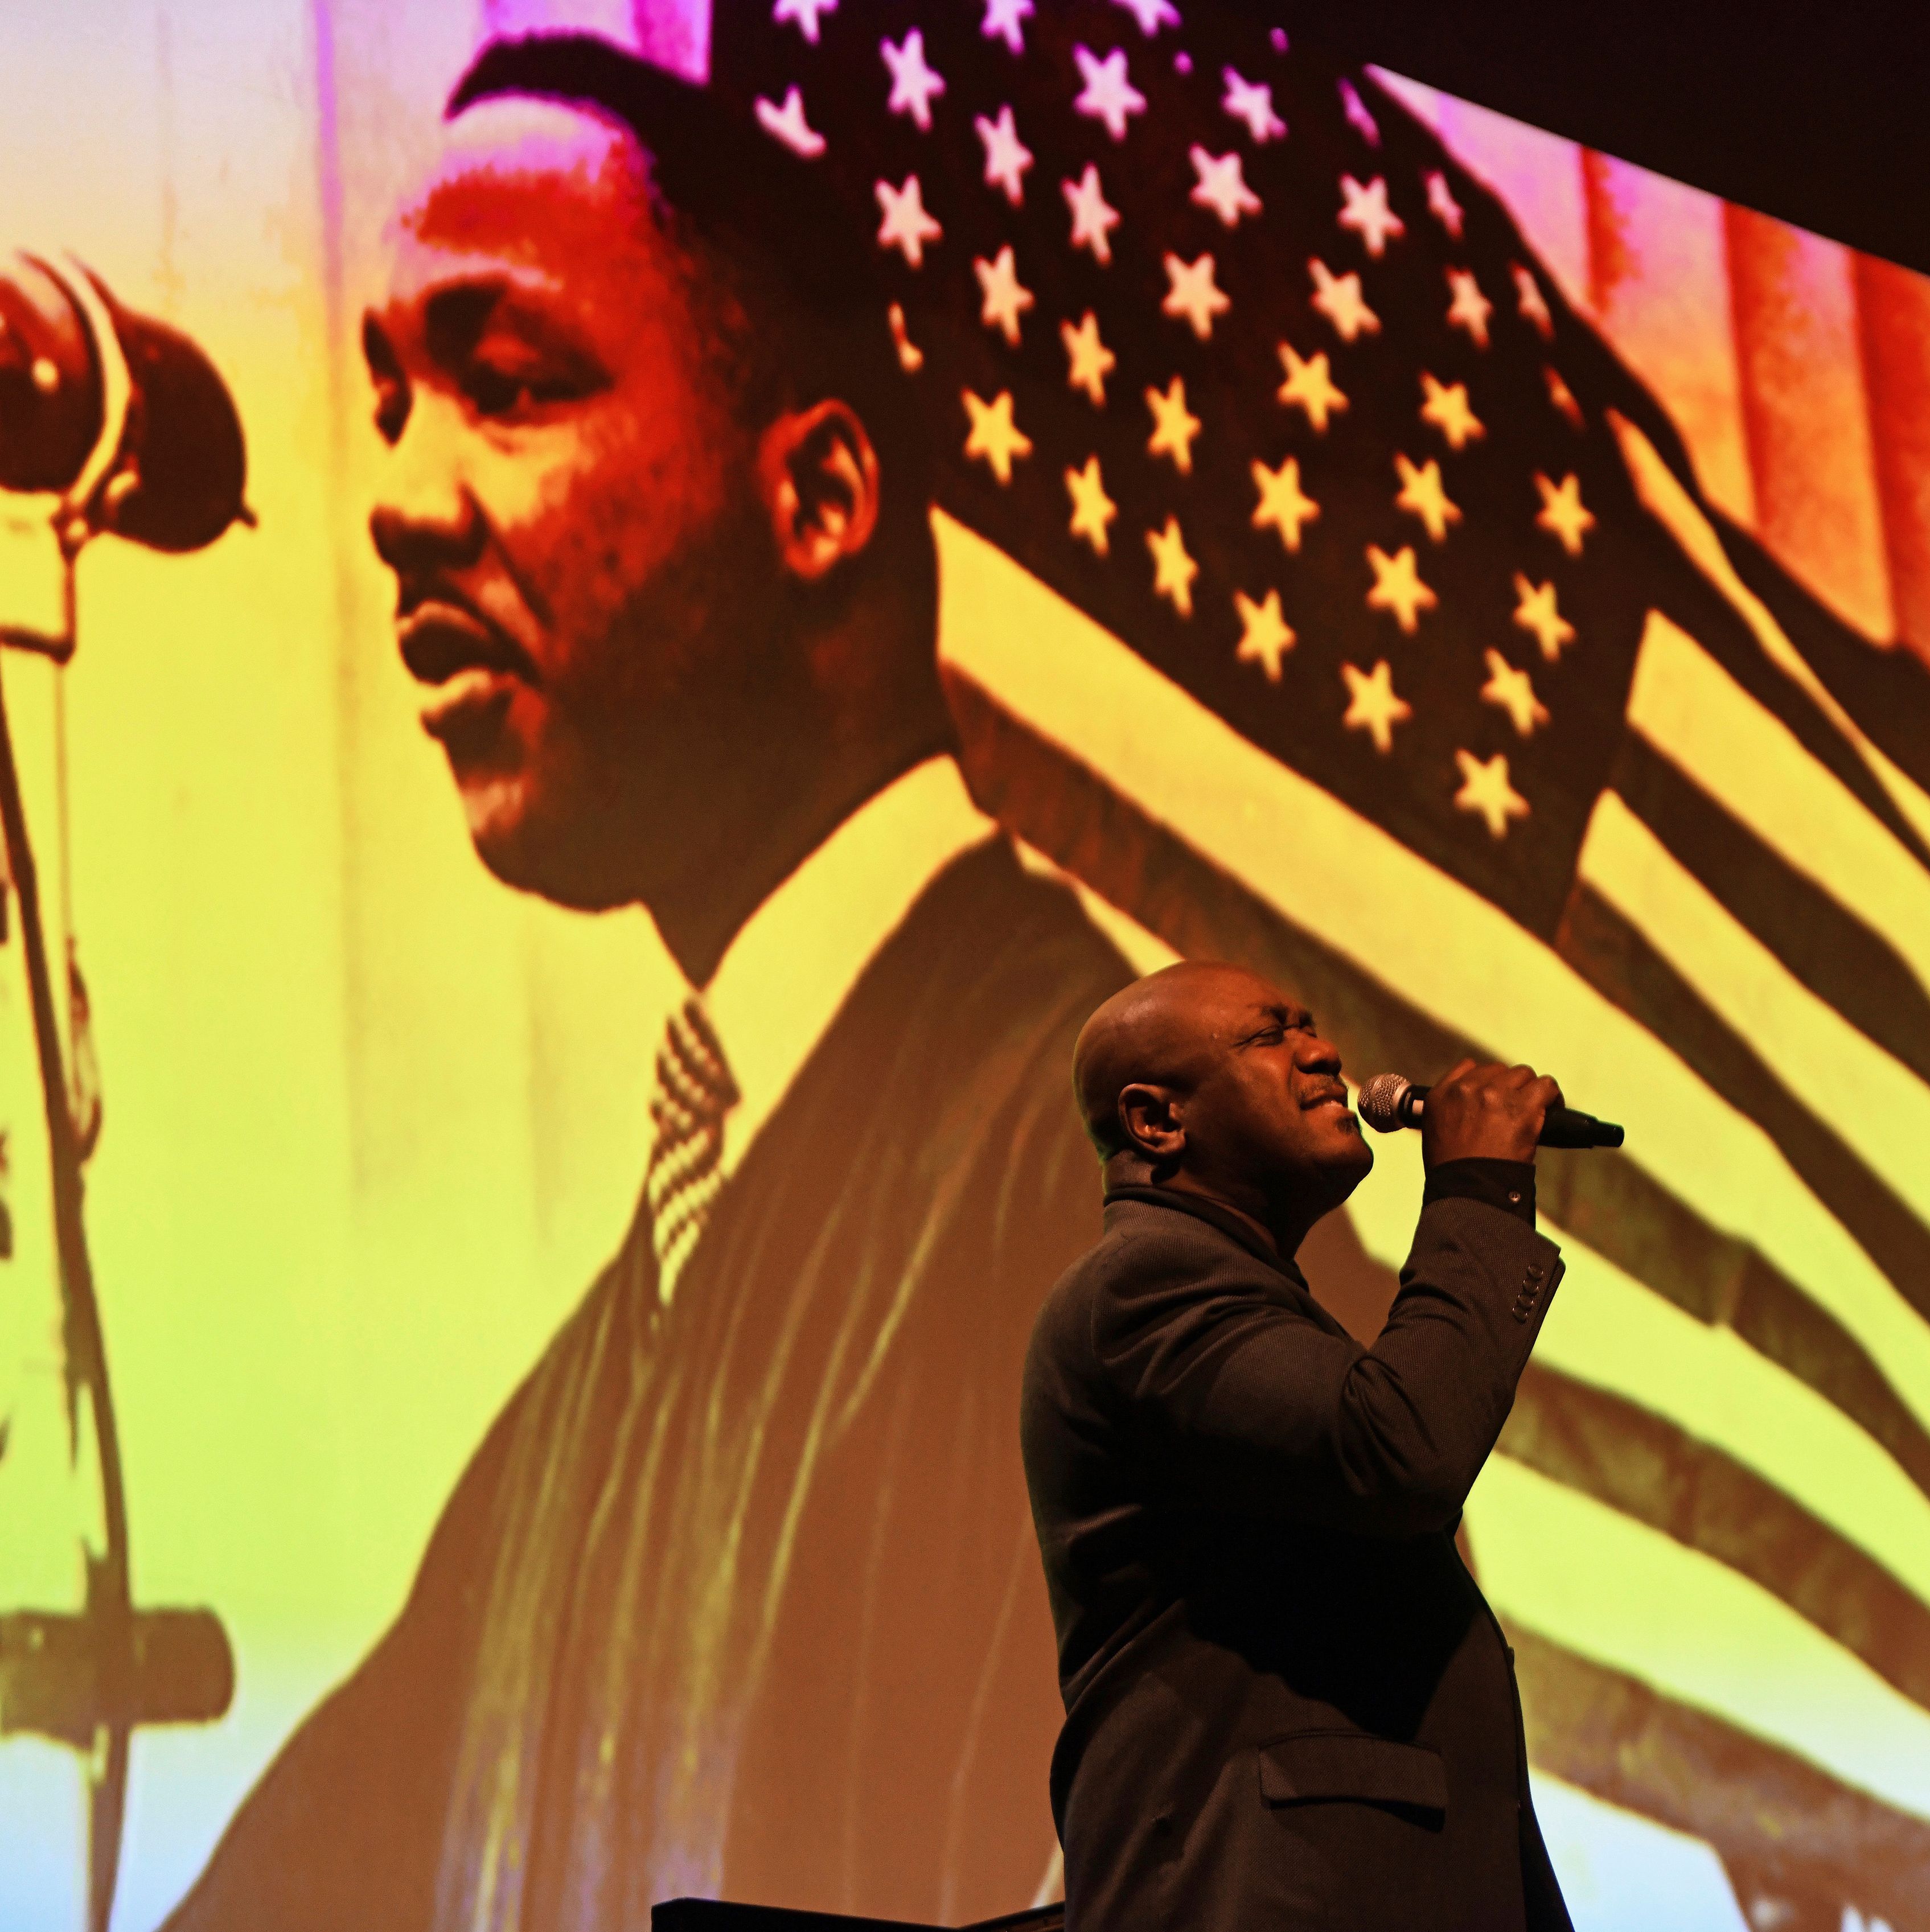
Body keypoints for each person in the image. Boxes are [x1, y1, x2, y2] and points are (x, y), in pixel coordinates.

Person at [162, 35, 1131, 1932]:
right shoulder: (567, 1432)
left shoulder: (1125, 1193)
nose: (399, 496)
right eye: (389, 403)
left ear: (824, 497)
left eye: (508, 385)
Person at [1023, 960, 1575, 1932]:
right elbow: (1400, 1448)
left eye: (1312, 1024)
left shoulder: (1237, 1296)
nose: (1323, 1050)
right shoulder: (1143, 1285)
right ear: (1157, 1121)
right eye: (1271, 1035)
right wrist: (1479, 1193)